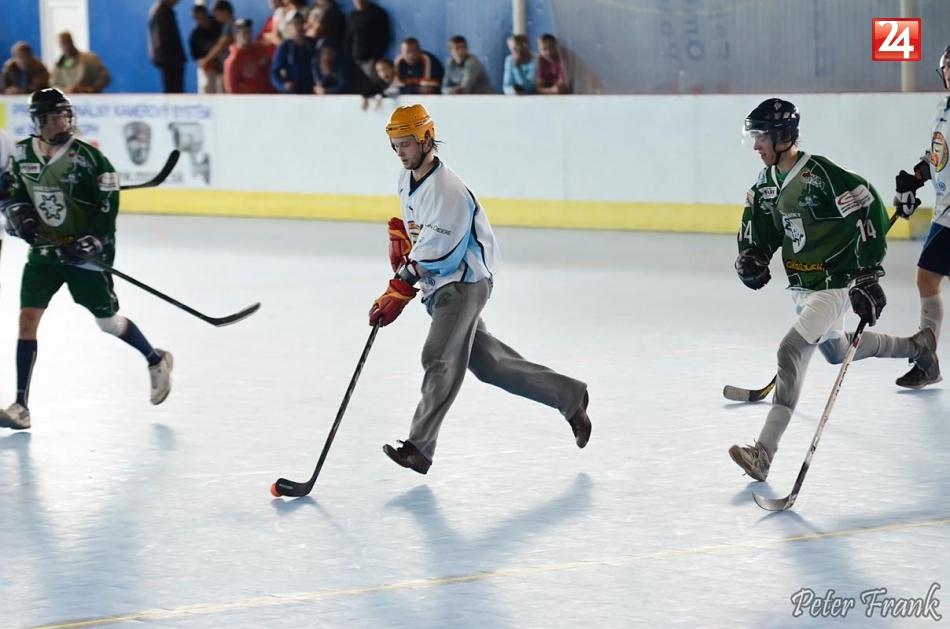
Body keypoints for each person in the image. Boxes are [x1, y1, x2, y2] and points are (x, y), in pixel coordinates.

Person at [370, 104, 592, 474]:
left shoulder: (449, 190)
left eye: (405, 144)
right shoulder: (407, 178)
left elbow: (442, 251)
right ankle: (570, 396)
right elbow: (424, 233)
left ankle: (419, 447)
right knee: (490, 365)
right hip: (441, 287)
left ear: (425, 139)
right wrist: (406, 240)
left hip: (462, 284)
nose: (400, 152)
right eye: (395, 145)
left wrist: (401, 284)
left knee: (439, 357)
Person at [728, 98, 939, 482]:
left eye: (761, 137)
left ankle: (763, 453)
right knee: (837, 350)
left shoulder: (822, 176)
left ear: (782, 136)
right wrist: (752, 254)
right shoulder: (766, 184)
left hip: (835, 283)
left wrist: (866, 273)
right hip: (803, 286)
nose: (756, 145)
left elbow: (866, 205)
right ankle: (919, 346)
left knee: (791, 351)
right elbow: (760, 226)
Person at [0, 89, 173, 431]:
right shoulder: (21, 154)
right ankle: (21, 406)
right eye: (53, 117)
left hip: (85, 258)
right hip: (44, 254)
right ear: (38, 122)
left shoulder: (91, 160)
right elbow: (13, 192)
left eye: (65, 116)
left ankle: (155, 359)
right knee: (27, 320)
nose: (61, 123)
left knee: (107, 323)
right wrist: (19, 213)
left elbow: (107, 211)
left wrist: (91, 241)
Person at [890, 44, 950, 390]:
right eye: (949, 66)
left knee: (927, 278)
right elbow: (938, 155)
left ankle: (927, 362)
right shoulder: (943, 107)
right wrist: (915, 177)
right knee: (927, 279)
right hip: (945, 211)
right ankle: (927, 363)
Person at [148, 0, 187, 93]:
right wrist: (173, 58)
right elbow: (162, 39)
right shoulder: (162, 12)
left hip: (169, 59)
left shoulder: (162, 11)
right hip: (170, 60)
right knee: (173, 91)